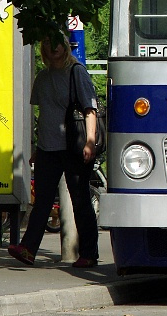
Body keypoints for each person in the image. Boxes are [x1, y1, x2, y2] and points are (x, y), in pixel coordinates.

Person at [7, 34, 99, 267]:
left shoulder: (76, 72)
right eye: (48, 42)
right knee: (42, 202)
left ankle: (89, 254)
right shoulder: (43, 77)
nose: (54, 47)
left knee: (80, 200)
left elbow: (90, 109)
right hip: (48, 149)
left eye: (58, 42)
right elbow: (44, 115)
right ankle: (28, 249)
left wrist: (89, 141)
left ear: (66, 46)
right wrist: (38, 147)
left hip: (73, 147)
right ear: (43, 49)